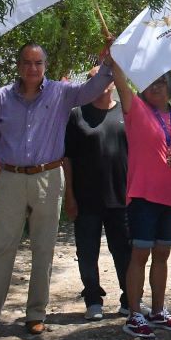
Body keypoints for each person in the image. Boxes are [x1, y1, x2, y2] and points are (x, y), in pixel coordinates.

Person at [0, 42, 115, 336]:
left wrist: (108, 61)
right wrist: (6, 161)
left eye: (38, 63)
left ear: (45, 66)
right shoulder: (2, 97)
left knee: (43, 247)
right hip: (12, 178)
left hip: (47, 176)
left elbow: (93, 89)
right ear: (19, 66)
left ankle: (35, 314)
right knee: (1, 247)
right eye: (27, 63)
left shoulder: (61, 93)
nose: (33, 69)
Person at [113, 65, 171, 339]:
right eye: (151, 82)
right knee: (140, 254)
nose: (156, 86)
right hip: (143, 196)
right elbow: (121, 83)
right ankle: (135, 313)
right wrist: (116, 59)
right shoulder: (136, 109)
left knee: (162, 254)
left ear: (170, 85)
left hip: (170, 197)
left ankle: (158, 310)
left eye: (162, 81)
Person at [63, 66, 132, 319]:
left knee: (124, 250)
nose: (101, 82)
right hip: (86, 198)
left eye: (106, 78)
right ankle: (93, 298)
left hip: (120, 196)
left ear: (114, 82)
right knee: (87, 250)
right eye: (94, 78)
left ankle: (129, 298)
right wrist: (69, 194)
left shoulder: (126, 112)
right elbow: (67, 158)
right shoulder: (76, 115)